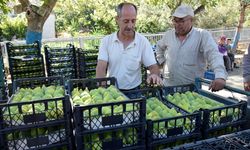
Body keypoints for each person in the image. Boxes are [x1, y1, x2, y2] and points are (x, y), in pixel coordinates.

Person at [96, 2, 162, 97]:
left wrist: (154, 75)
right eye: (126, 21)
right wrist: (102, 90)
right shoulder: (106, 41)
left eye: (133, 21)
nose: (130, 25)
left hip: (135, 92)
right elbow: (101, 67)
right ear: (117, 19)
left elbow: (153, 66)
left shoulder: (142, 42)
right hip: (112, 91)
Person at [155, 4, 228, 92]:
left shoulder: (202, 35)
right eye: (175, 20)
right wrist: (162, 61)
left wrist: (220, 76)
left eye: (181, 21)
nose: (178, 24)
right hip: (168, 86)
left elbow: (214, 55)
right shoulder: (168, 35)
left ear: (191, 20)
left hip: (191, 90)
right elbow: (159, 47)